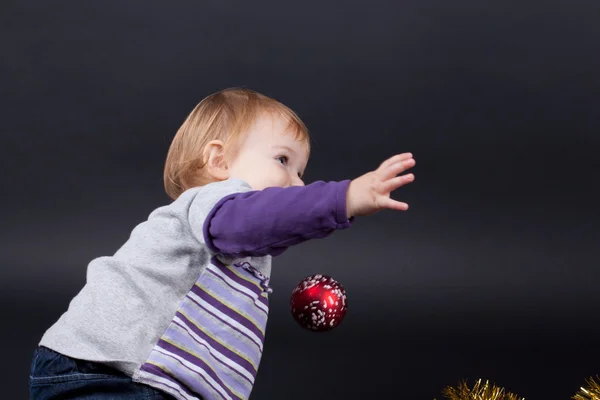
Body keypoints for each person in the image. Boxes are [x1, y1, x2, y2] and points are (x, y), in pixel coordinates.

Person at [29, 87, 416, 400]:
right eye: (283, 160)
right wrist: (343, 198)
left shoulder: (244, 237)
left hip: (149, 380)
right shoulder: (214, 203)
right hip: (103, 370)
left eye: (302, 172)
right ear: (219, 161)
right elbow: (259, 219)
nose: (298, 184)